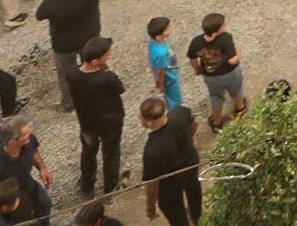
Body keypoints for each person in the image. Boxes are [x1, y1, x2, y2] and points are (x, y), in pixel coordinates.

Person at [66, 36, 128, 199]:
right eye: (106, 55)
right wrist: (108, 70)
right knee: (111, 153)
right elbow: (120, 88)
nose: (109, 56)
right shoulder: (107, 78)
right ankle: (110, 188)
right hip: (110, 122)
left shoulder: (72, 73)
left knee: (88, 153)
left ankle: (87, 188)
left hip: (87, 122)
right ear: (95, 61)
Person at [139, 95, 204, 226]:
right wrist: (190, 138)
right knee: (194, 193)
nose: (139, 117)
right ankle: (197, 219)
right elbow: (194, 121)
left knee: (177, 216)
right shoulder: (179, 113)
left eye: (140, 116)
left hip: (170, 185)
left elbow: (152, 184)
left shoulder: (151, 150)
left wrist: (150, 207)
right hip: (191, 167)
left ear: (149, 124)